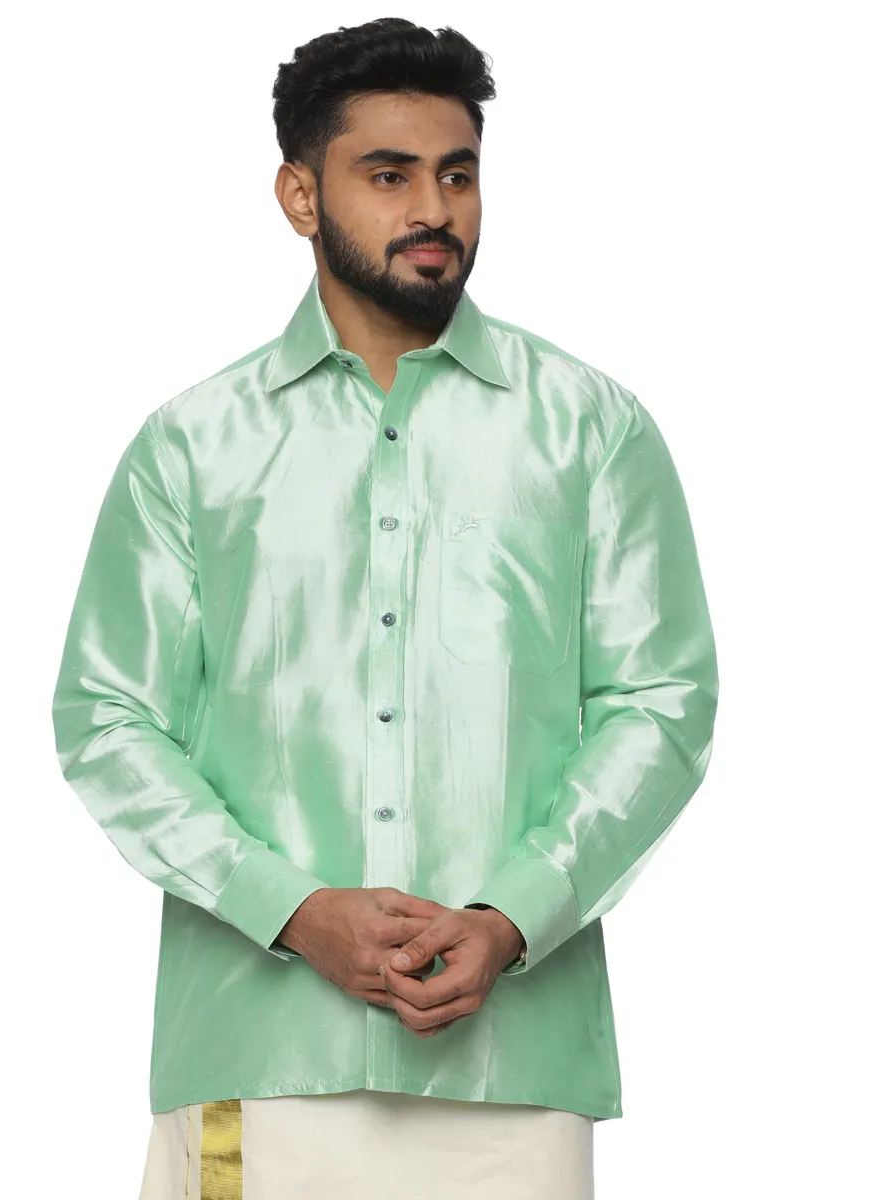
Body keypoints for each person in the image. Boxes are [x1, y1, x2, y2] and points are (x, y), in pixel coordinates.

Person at [51, 16, 719, 1199]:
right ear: (300, 196)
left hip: (514, 1074)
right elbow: (105, 719)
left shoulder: (590, 430)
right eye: (389, 175)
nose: (434, 209)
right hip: (263, 1055)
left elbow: (661, 704)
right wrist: (293, 910)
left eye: (458, 174)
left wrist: (511, 917)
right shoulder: (193, 448)